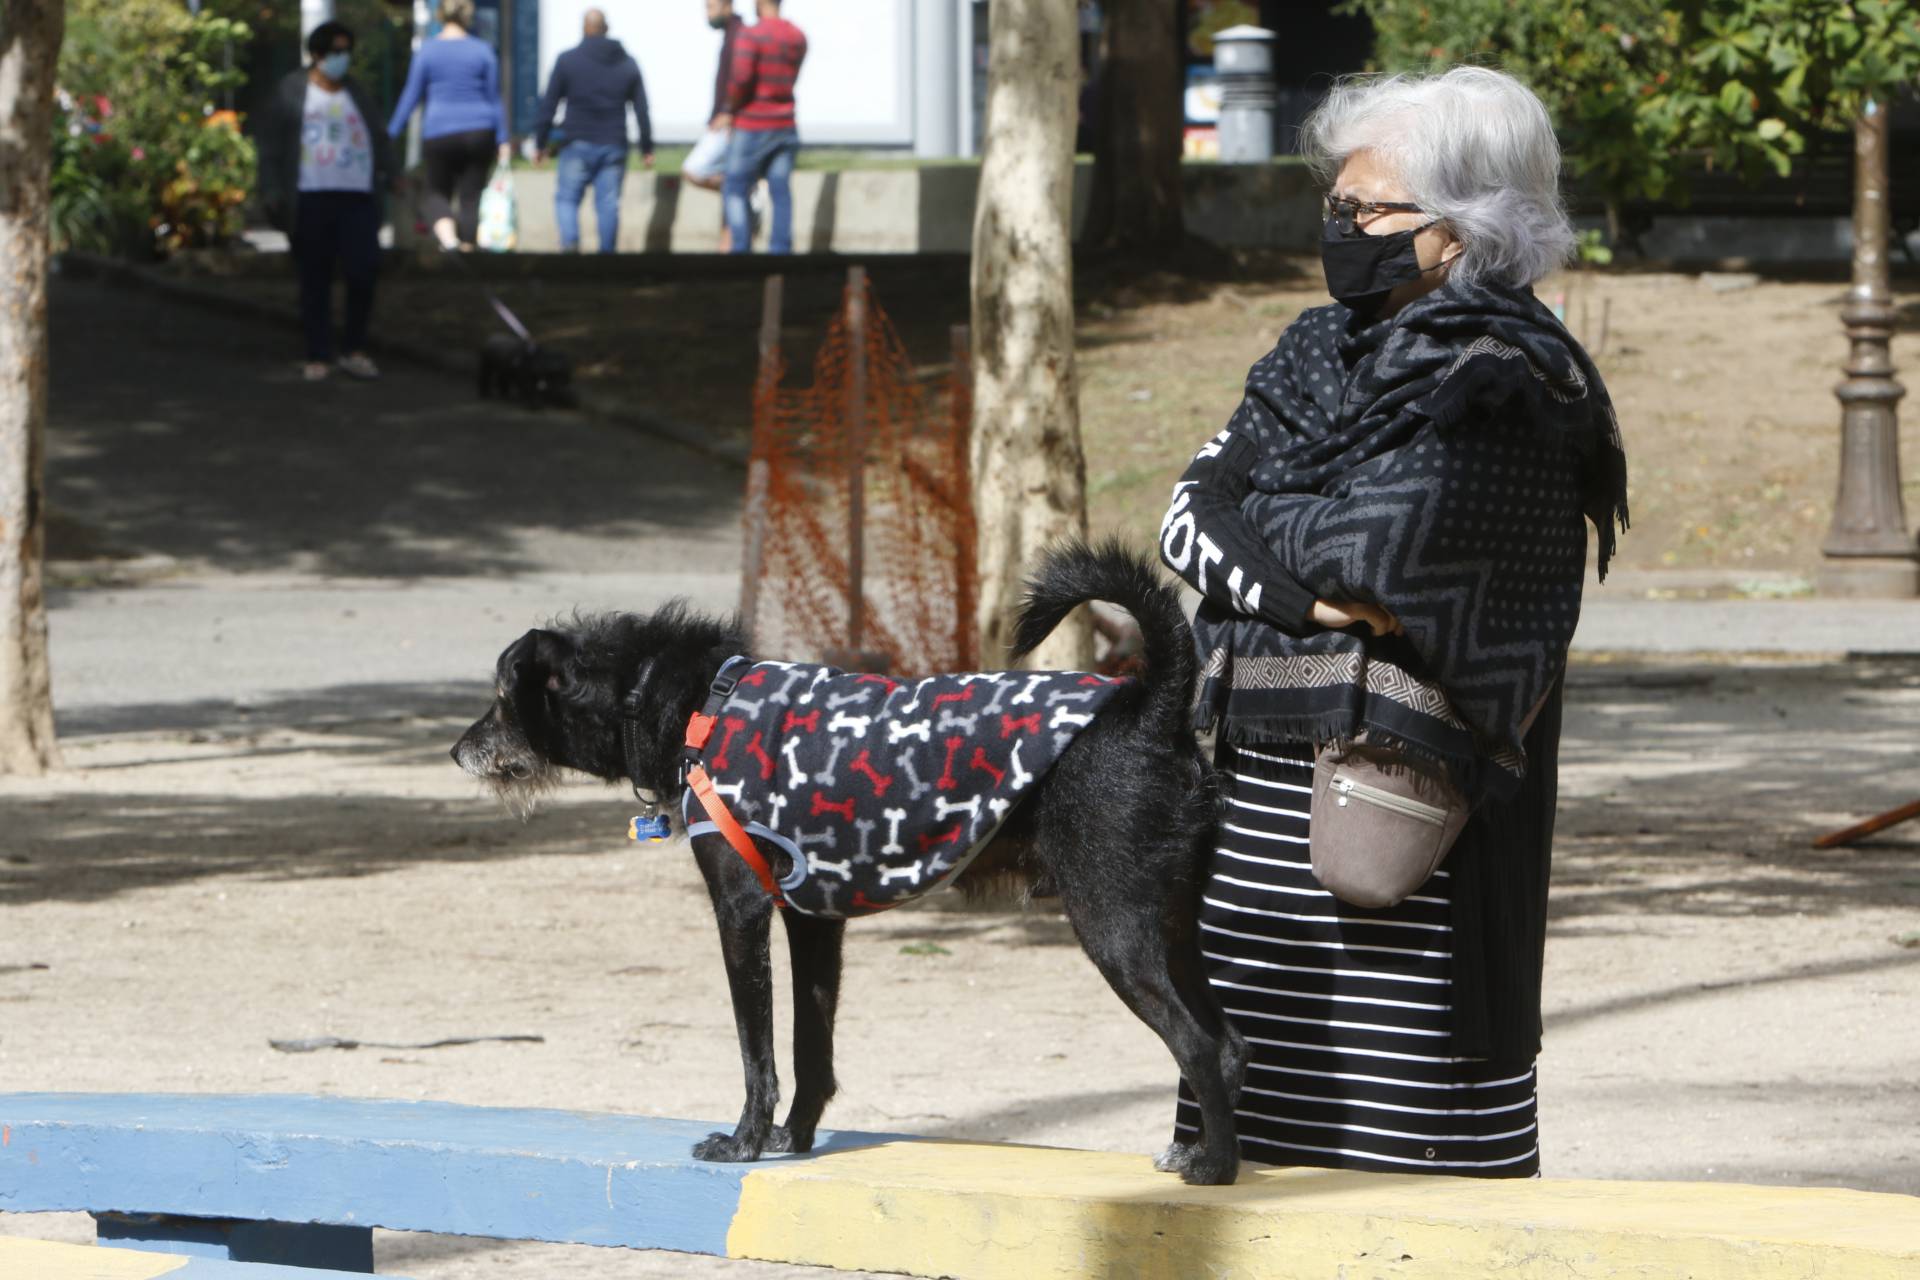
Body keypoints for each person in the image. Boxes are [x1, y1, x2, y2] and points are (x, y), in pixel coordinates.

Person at [1158, 66, 1629, 1178]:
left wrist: (1261, 535)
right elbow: (1184, 514)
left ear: (1464, 228)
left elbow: (1390, 555)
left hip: (1416, 874)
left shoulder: (1510, 378)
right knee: (1243, 1183)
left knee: (1408, 1206)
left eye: (1367, 209)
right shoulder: (1315, 351)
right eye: (1339, 205)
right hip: (1250, 867)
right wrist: (1294, 596)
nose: (1342, 228)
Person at [257, 19, 396, 381]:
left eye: (346, 51)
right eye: (335, 51)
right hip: (310, 198)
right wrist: (271, 189)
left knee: (363, 271)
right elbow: (270, 147)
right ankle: (318, 352)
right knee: (314, 278)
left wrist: (393, 174)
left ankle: (354, 348)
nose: (342, 58)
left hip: (357, 197)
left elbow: (378, 137)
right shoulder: (290, 91)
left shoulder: (357, 93)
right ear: (316, 55)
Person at [388, 0, 510, 251]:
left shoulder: (428, 51)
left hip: (439, 131)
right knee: (471, 197)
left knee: (435, 193)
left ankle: (449, 241)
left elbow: (411, 96)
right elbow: (495, 97)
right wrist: (503, 138)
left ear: (440, 16)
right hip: (480, 130)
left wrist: (390, 133)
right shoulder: (483, 50)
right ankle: (467, 249)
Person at [533, 8, 654, 254]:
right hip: (613, 143)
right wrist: (647, 148)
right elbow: (642, 110)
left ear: (584, 29)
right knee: (608, 205)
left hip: (576, 142)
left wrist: (540, 142)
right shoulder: (627, 64)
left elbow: (549, 105)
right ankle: (606, 258)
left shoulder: (567, 60)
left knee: (567, 199)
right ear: (606, 28)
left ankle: (570, 247)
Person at [722, 0, 806, 255]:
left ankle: (741, 249)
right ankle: (780, 251)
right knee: (780, 190)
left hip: (752, 123)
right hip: (785, 123)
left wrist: (730, 109)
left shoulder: (751, 35)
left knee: (734, 187)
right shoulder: (796, 36)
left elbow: (741, 79)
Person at [685, 0, 744, 250]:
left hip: (728, 123)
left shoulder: (739, 36)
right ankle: (726, 245)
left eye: (711, 7)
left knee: (694, 169)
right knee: (729, 187)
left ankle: (745, 191)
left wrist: (729, 112)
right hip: (724, 120)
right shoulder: (731, 35)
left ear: (727, 6)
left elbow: (740, 79)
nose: (707, 14)